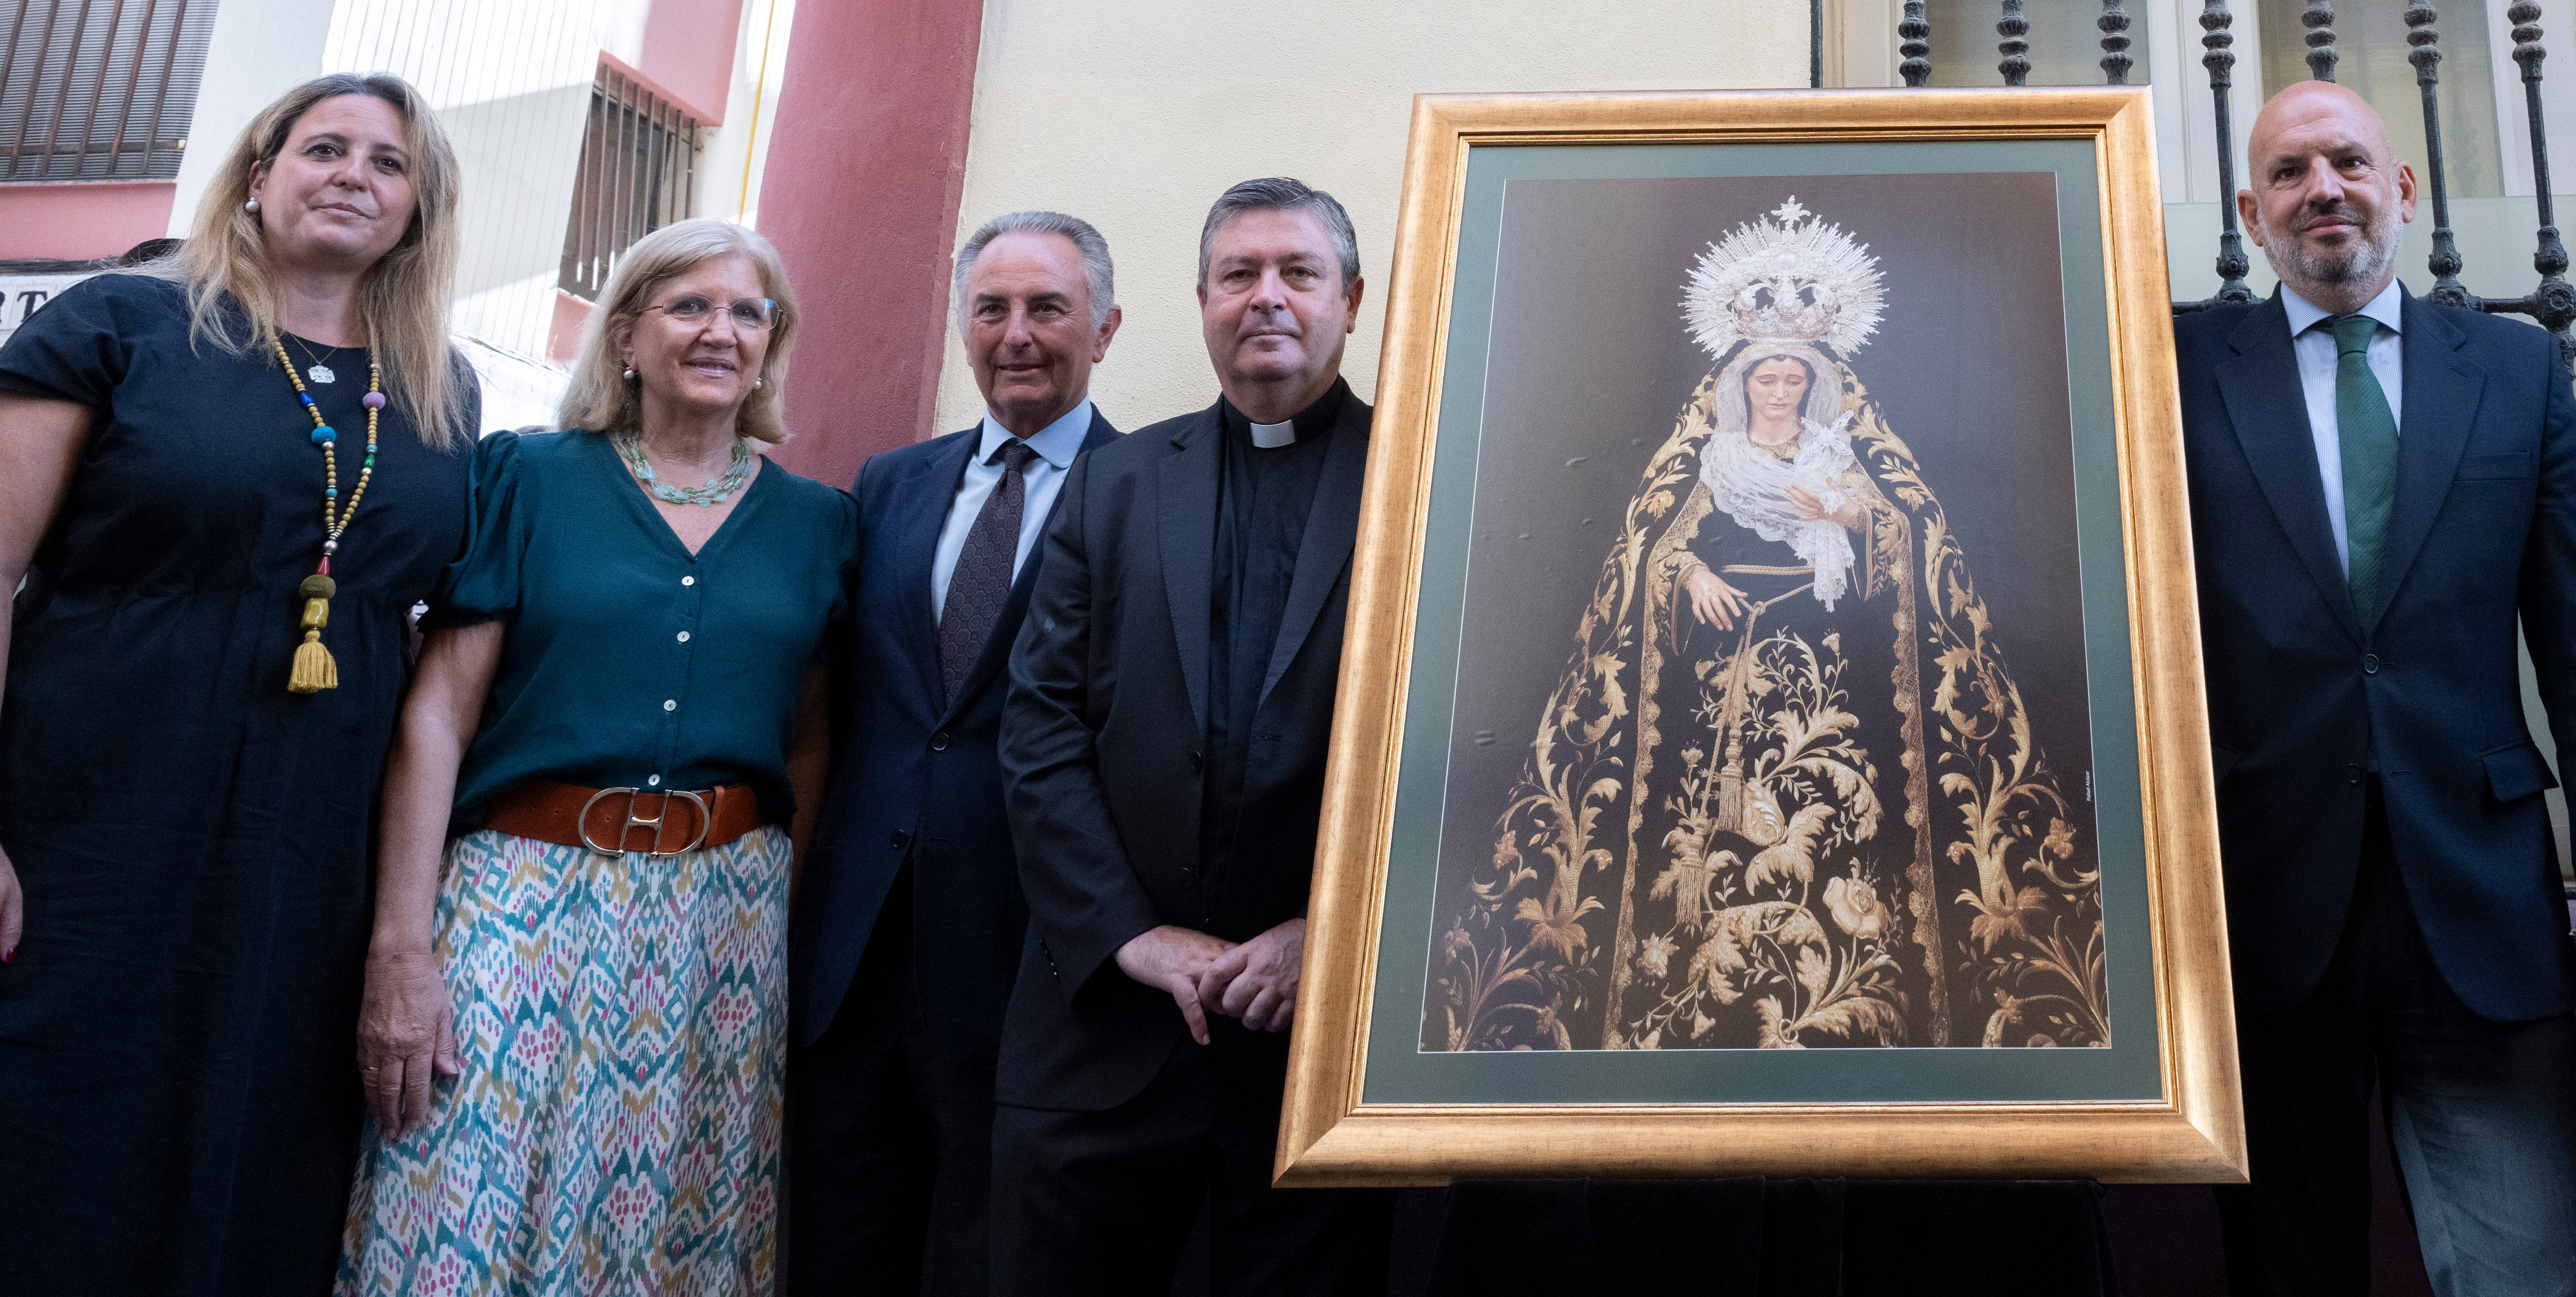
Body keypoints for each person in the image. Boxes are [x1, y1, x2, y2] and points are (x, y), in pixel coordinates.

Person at [2173, 80, 2576, 1297]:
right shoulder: (2177, 368)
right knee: (2290, 1268)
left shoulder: (2510, 370)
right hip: (2261, 903)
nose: (2321, 190)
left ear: (2400, 189)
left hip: (2480, 896)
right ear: (2251, 210)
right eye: (2289, 173)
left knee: (2529, 1269)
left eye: (2347, 161)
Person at [0, 73, 480, 1297]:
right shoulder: (121, 323)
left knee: (248, 1157)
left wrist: (400, 934)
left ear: (419, 211)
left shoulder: (441, 388)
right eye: (323, 148)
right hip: (86, 823)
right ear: (258, 174)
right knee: (51, 1132)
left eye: (389, 164)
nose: (353, 178)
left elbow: (437, 654)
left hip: (304, 857)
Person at [1433, 197, 2103, 1052]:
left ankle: (1862, 1006)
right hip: (1713, 691)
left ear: (1815, 384)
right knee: (1703, 854)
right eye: (1765, 378)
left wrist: (1852, 517)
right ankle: (1689, 1008)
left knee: (1837, 839)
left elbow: (1917, 542)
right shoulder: (1707, 460)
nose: (1780, 391)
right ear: (1740, 382)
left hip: (1838, 689)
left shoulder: (1845, 459)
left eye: (1794, 380)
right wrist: (1689, 573)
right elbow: (1643, 554)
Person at [338, 219, 860, 1296]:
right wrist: (402, 945)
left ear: (772, 342)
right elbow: (437, 716)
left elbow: (810, 739)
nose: (721, 330)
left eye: (747, 311)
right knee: (450, 1198)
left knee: (662, 1227)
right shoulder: (528, 476)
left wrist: (775, 912)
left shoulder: (823, 524)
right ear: (625, 335)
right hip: (517, 899)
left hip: (723, 922)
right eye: (688, 305)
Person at [994, 177, 1395, 1296]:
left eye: (1298, 273)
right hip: (1101, 1031)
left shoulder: (1422, 475)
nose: (1266, 297)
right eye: (1239, 274)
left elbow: (1474, 751)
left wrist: (1336, 931)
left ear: (1351, 300)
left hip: (1322, 1049)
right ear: (1205, 300)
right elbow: (1040, 730)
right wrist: (1133, 934)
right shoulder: (1115, 481)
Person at [793, 212, 1126, 1297]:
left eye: (1047, 308)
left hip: (1029, 953)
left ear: (1106, 328)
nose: (1017, 333)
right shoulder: (887, 483)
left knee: (986, 1257)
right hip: (858, 949)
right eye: (992, 308)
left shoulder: (1150, 493)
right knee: (838, 1242)